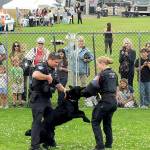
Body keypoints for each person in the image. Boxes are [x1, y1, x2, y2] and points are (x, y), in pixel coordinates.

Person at [30, 52, 66, 150]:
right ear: (49, 59)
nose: (57, 64)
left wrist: (65, 91)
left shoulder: (54, 70)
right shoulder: (42, 66)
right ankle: (35, 146)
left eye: (58, 63)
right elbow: (35, 74)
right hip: (38, 98)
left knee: (51, 121)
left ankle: (49, 142)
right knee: (37, 122)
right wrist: (46, 76)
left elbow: (57, 84)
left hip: (47, 99)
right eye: (55, 62)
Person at [81, 56, 118, 150]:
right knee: (107, 122)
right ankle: (109, 143)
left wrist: (82, 94)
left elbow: (92, 87)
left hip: (105, 101)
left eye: (98, 64)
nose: (97, 66)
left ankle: (100, 146)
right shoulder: (114, 73)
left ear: (102, 63)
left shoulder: (101, 74)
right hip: (113, 102)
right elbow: (116, 89)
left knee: (95, 121)